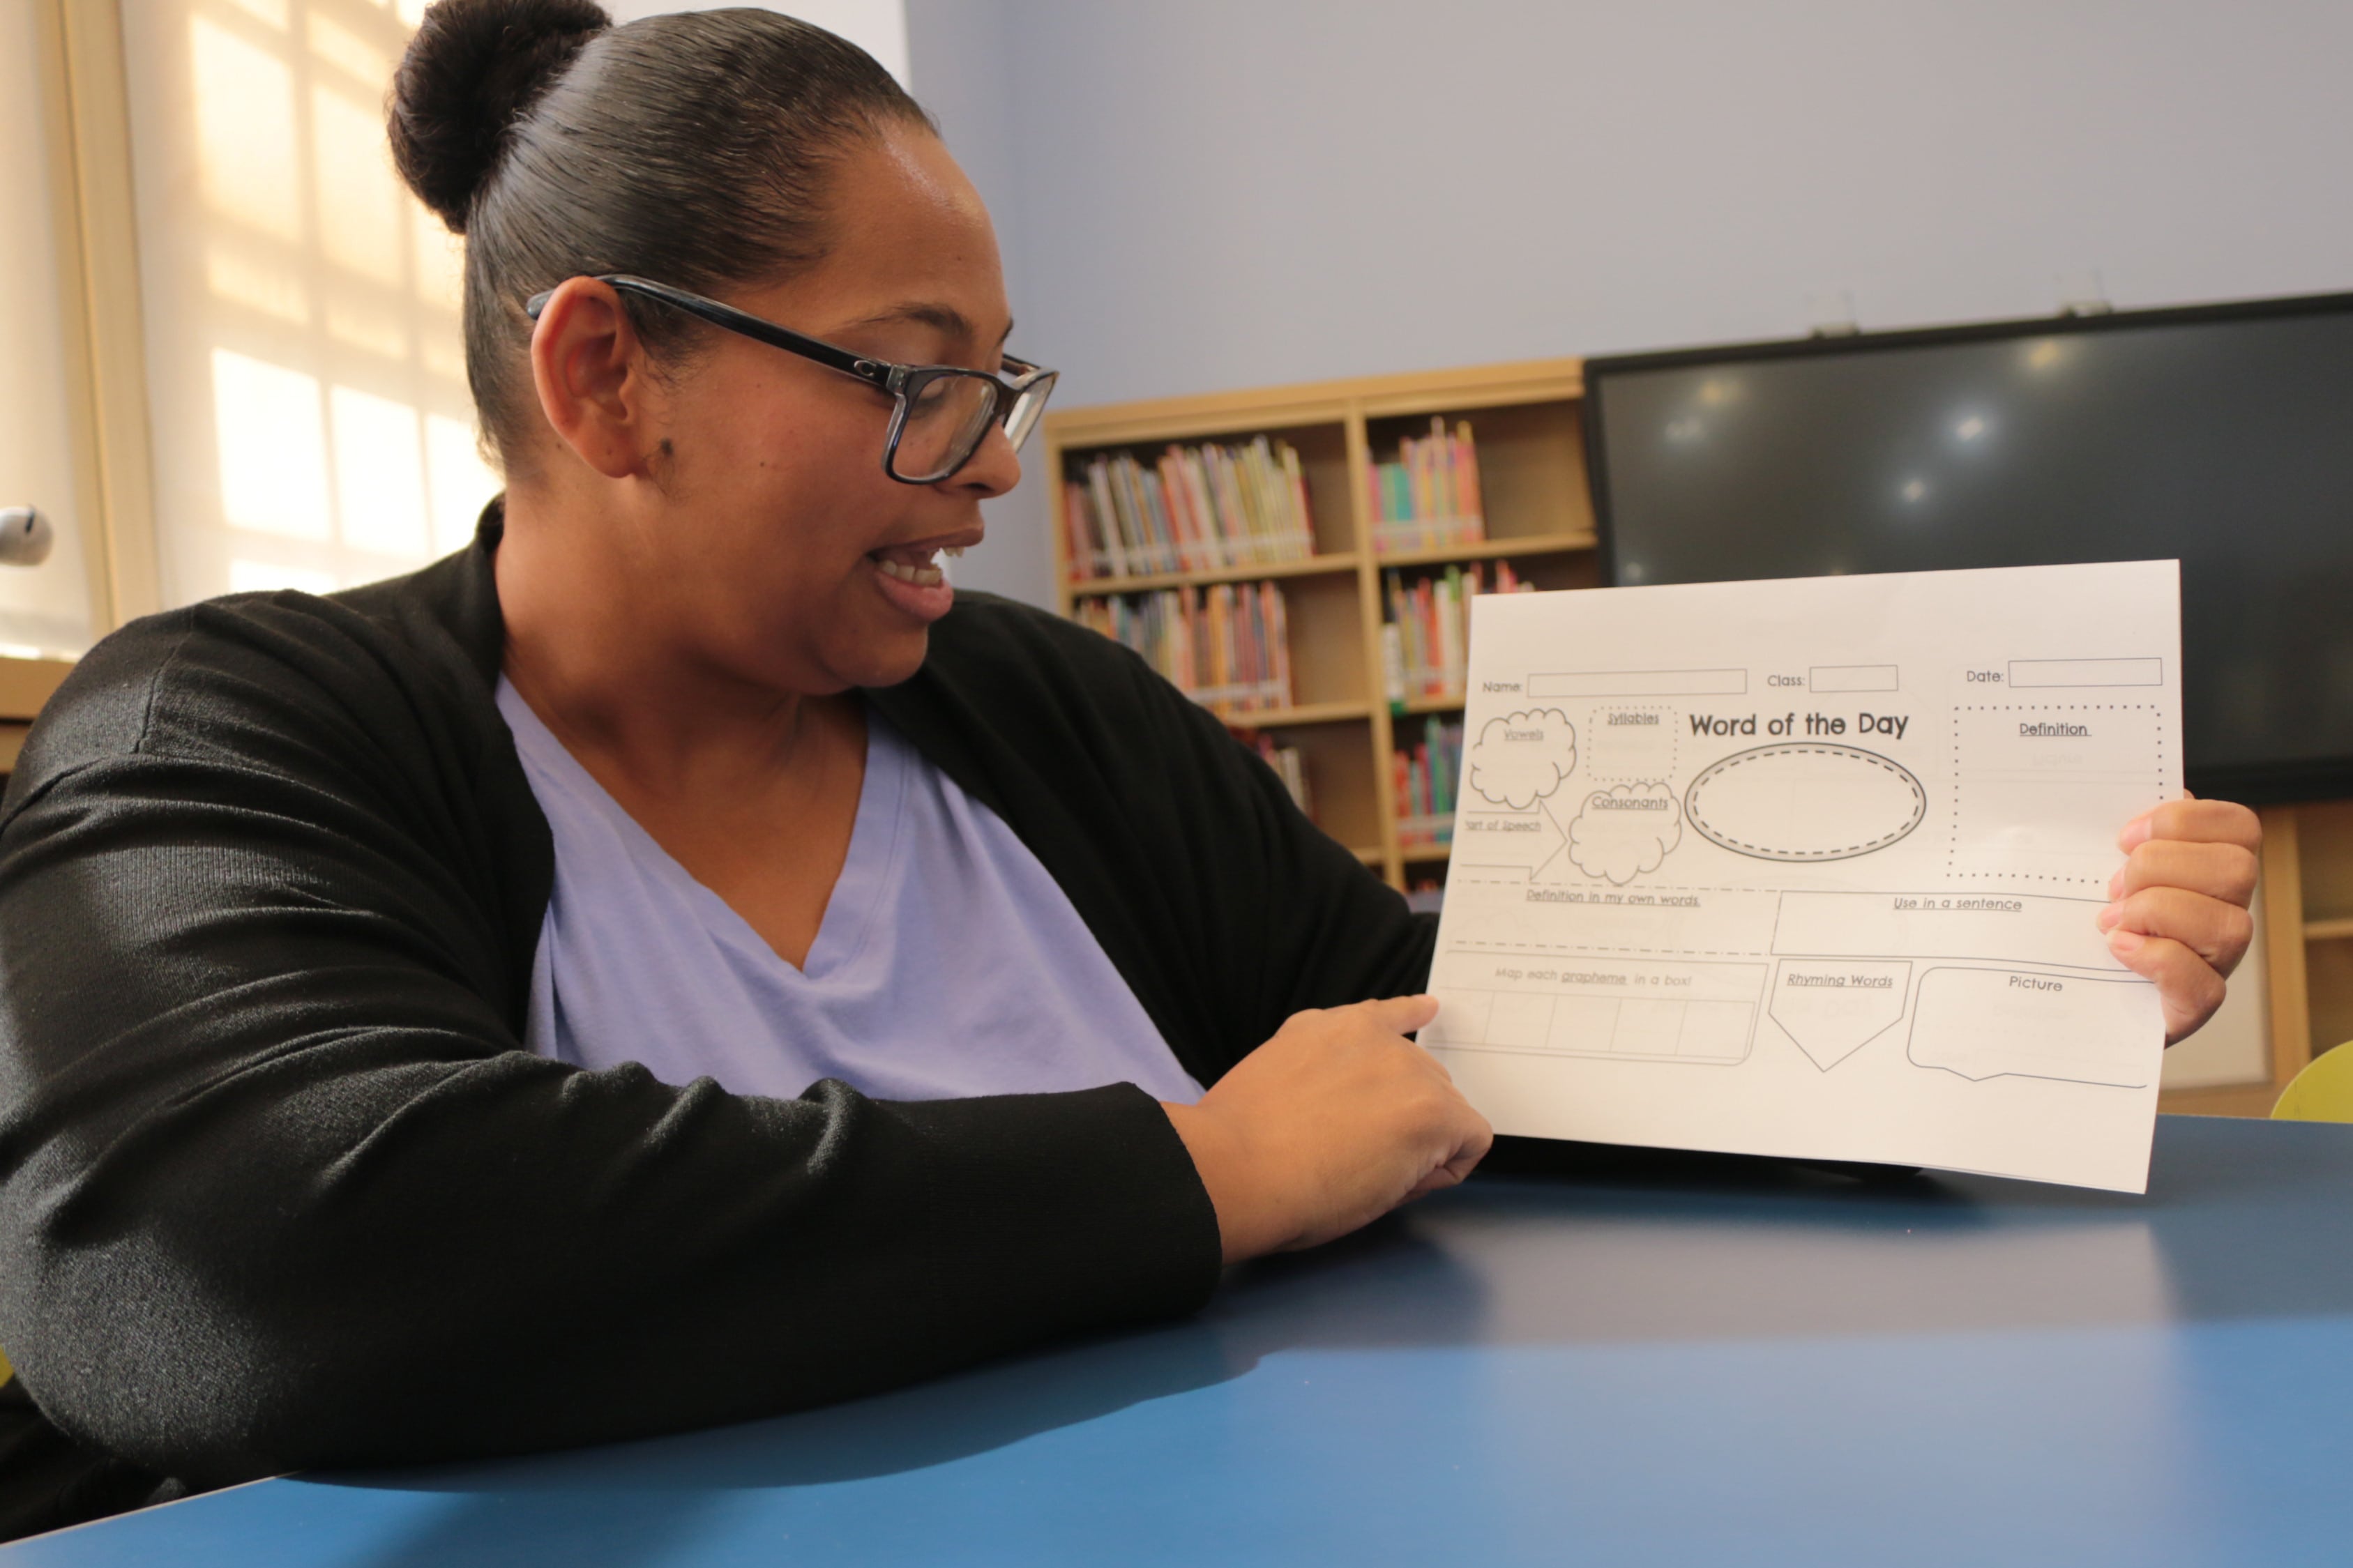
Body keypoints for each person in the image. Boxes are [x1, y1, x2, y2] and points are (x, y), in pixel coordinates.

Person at [0, 0, 2259, 1537]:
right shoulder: (235, 729)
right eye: (915, 385)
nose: (989, 472)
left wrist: (1989, 994)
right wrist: (1196, 1177)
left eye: (1001, 383)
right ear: (608, 380)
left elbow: (1474, 1059)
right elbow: (248, 1256)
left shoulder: (1041, 717)